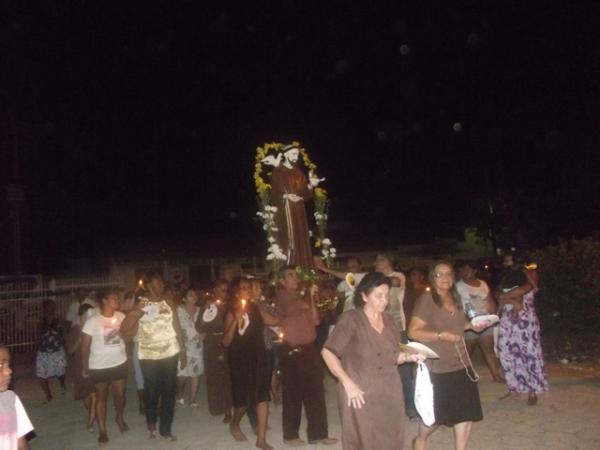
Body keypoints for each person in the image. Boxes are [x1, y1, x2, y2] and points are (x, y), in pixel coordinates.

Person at [322, 272, 424, 450]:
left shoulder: (390, 320)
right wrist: (347, 383)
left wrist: (410, 356)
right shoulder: (351, 319)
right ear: (364, 296)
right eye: (379, 296)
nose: (384, 300)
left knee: (392, 436)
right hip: (359, 392)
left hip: (389, 390)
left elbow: (394, 356)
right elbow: (328, 352)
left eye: (387, 295)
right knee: (363, 439)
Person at [408, 261, 485, 450]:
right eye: (439, 274)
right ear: (432, 278)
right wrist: (440, 335)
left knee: (466, 413)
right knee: (435, 416)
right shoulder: (427, 299)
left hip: (462, 363)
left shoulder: (455, 297)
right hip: (438, 366)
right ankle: (420, 440)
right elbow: (413, 331)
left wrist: (472, 325)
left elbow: (457, 326)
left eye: (448, 274)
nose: (445, 278)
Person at [121, 272, 187, 441]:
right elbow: (125, 327)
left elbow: (176, 327)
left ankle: (166, 429)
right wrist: (137, 311)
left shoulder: (169, 302)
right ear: (149, 286)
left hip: (170, 352)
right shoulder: (141, 303)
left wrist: (183, 351)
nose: (160, 287)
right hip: (148, 353)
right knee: (151, 391)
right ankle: (151, 424)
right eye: (156, 284)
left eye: (162, 284)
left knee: (169, 392)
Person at [276, 265, 337, 446]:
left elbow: (316, 319)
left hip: (309, 348)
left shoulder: (301, 295)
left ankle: (319, 433)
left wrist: (311, 296)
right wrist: (309, 294)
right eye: (290, 275)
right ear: (282, 281)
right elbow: (300, 307)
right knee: (293, 393)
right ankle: (290, 435)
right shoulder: (283, 296)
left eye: (295, 275)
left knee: (316, 392)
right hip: (292, 350)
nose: (295, 278)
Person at [223, 277, 277, 450]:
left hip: (259, 356)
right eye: (244, 287)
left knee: (262, 397)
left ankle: (261, 439)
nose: (248, 290)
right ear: (236, 292)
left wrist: (259, 304)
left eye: (248, 287)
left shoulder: (255, 308)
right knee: (243, 402)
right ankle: (234, 423)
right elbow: (225, 342)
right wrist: (235, 319)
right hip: (239, 359)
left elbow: (274, 321)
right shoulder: (231, 311)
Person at [496, 253, 548, 405]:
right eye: (504, 260)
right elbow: (497, 293)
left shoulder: (530, 273)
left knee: (528, 353)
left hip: (525, 320)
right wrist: (507, 299)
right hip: (508, 318)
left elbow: (524, 290)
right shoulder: (505, 275)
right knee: (506, 352)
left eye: (508, 259)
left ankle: (532, 390)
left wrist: (504, 297)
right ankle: (515, 387)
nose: (505, 262)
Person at [80, 288, 128, 444]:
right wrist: (85, 366)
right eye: (113, 297)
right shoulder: (92, 321)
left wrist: (124, 334)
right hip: (99, 366)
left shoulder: (122, 317)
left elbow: (129, 337)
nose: (117, 300)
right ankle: (102, 430)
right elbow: (85, 346)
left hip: (119, 362)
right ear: (105, 301)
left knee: (120, 396)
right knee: (101, 398)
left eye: (117, 297)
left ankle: (119, 417)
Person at [456, 261, 504, 382]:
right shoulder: (458, 286)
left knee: (489, 351)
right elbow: (456, 305)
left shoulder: (482, 284)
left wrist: (494, 316)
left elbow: (490, 300)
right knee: (466, 353)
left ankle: (496, 376)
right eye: (462, 270)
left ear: (474, 271)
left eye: (467, 270)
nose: (464, 273)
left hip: (485, 321)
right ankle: (462, 377)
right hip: (469, 323)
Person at [271, 145, 314, 270]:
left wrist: (305, 192)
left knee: (301, 237)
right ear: (286, 154)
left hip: (299, 210)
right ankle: (289, 267)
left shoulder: (298, 172)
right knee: (289, 237)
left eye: (297, 154)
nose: (296, 157)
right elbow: (274, 195)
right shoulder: (278, 171)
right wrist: (286, 196)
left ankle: (303, 268)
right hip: (286, 210)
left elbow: (306, 192)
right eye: (293, 154)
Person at [196, 280, 233, 422]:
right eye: (220, 289)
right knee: (213, 377)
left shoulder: (230, 306)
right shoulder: (208, 306)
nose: (223, 293)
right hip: (211, 344)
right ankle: (216, 407)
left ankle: (228, 409)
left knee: (226, 377)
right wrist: (206, 312)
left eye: (225, 290)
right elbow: (199, 327)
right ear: (214, 290)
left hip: (226, 343)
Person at [66, 303, 96, 433]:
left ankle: (91, 420)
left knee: (95, 394)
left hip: (95, 365)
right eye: (87, 315)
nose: (89, 317)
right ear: (81, 315)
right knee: (85, 395)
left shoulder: (95, 328)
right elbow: (70, 351)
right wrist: (79, 341)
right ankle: (92, 412)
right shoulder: (75, 330)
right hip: (80, 366)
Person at [0, 344, 34, 450]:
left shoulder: (11, 400)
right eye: (0, 365)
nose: (9, 371)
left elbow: (21, 444)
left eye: (8, 364)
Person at [36, 299, 67, 403]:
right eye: (49, 306)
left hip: (57, 351)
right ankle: (48, 395)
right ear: (44, 308)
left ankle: (62, 384)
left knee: (60, 372)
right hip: (43, 351)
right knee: (41, 374)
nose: (51, 308)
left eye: (53, 306)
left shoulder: (59, 319)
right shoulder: (41, 321)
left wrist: (65, 346)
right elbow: (37, 336)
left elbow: (65, 333)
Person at [176, 288, 203, 407]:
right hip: (183, 345)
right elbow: (175, 327)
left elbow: (206, 325)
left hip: (197, 346)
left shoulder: (200, 310)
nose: (194, 296)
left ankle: (193, 400)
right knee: (182, 374)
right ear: (184, 298)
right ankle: (180, 396)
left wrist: (204, 335)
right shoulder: (179, 310)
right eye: (190, 294)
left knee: (195, 374)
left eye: (195, 294)